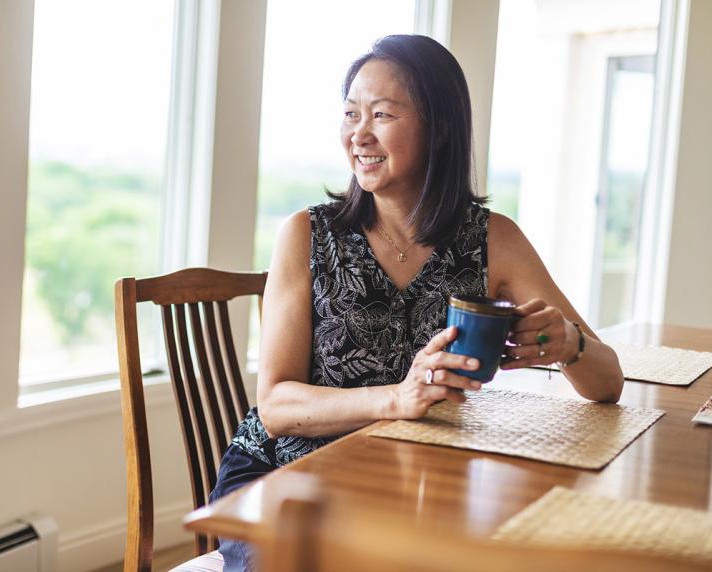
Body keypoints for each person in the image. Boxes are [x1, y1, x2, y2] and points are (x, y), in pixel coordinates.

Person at [208, 34, 624, 571]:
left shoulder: (493, 239)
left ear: (440, 128)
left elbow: (608, 383)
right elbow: (277, 407)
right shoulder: (308, 235)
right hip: (283, 480)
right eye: (350, 113)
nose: (359, 133)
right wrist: (397, 398)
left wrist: (569, 344)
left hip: (411, 481)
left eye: (381, 114)